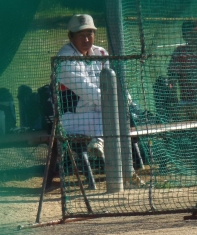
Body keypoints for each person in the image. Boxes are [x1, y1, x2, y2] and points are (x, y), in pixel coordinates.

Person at [55, 14, 142, 183]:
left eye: (90, 34)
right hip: (71, 118)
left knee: (119, 118)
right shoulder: (65, 57)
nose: (86, 39)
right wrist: (116, 102)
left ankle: (106, 149)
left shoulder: (100, 53)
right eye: (81, 35)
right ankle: (125, 170)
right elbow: (86, 90)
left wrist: (125, 98)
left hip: (99, 113)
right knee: (114, 119)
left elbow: (114, 82)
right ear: (70, 36)